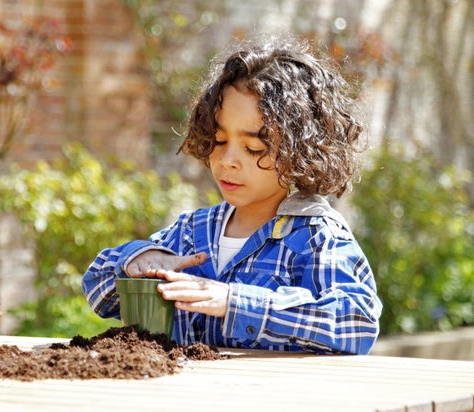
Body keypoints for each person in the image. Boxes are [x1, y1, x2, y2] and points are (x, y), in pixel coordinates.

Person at [82, 36, 382, 355]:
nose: (228, 161)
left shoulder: (316, 239)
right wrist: (138, 260)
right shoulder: (190, 234)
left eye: (253, 148)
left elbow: (356, 323)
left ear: (300, 151)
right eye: (220, 141)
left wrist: (234, 302)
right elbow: (97, 287)